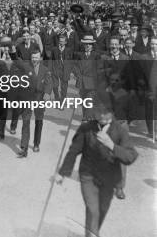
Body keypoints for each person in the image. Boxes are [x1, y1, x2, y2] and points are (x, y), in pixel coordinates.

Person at [56, 98, 138, 237]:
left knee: (102, 210)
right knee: (93, 210)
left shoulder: (120, 130)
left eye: (105, 113)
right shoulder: (86, 128)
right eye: (98, 112)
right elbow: (73, 150)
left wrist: (112, 146)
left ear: (112, 113)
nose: (101, 116)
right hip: (88, 176)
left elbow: (131, 156)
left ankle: (93, 232)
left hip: (109, 179)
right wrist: (63, 172)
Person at [18, 50, 52, 157]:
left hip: (39, 98)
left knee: (39, 121)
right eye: (33, 57)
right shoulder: (26, 68)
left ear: (40, 58)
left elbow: (49, 83)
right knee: (26, 122)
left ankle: (36, 143)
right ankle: (24, 147)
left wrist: (47, 93)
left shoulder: (45, 70)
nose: (34, 60)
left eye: (36, 57)